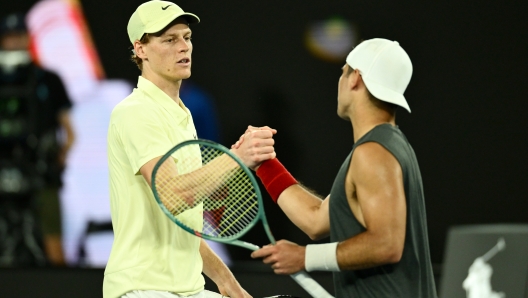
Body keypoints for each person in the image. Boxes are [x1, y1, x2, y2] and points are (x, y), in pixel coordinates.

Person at [104, 1, 275, 297]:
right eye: (169, 40)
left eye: (187, 37)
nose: (183, 47)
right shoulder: (135, 112)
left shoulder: (181, 115)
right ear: (140, 49)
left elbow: (183, 225)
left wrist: (226, 281)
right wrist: (237, 157)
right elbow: (173, 195)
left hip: (188, 288)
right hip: (143, 288)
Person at [248, 39, 437, 297]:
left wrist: (305, 257)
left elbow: (387, 244)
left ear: (355, 79)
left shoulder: (373, 153)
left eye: (342, 72)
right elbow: (314, 219)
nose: (339, 81)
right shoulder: (381, 147)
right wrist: (263, 163)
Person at [0, 12, 74, 267]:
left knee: (53, 244)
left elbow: (69, 132)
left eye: (18, 37)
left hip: (40, 173)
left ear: (27, 38)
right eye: (8, 38)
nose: (13, 43)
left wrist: (57, 158)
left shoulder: (48, 80)